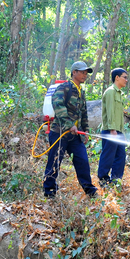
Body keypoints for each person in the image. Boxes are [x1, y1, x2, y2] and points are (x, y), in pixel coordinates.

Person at [42, 61, 98, 198]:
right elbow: (57, 105)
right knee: (54, 161)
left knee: (83, 161)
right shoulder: (64, 87)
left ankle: (90, 191)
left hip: (75, 135)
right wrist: (69, 124)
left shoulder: (81, 92)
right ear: (74, 73)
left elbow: (83, 113)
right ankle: (49, 192)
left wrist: (85, 130)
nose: (85, 75)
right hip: (60, 132)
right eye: (82, 72)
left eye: (86, 73)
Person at [97, 67, 128, 187]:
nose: (126, 80)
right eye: (124, 77)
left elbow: (119, 116)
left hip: (118, 131)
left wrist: (122, 133)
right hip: (110, 131)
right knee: (108, 156)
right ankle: (103, 180)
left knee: (121, 156)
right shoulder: (110, 92)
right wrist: (112, 130)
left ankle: (116, 180)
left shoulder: (119, 93)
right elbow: (109, 112)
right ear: (117, 77)